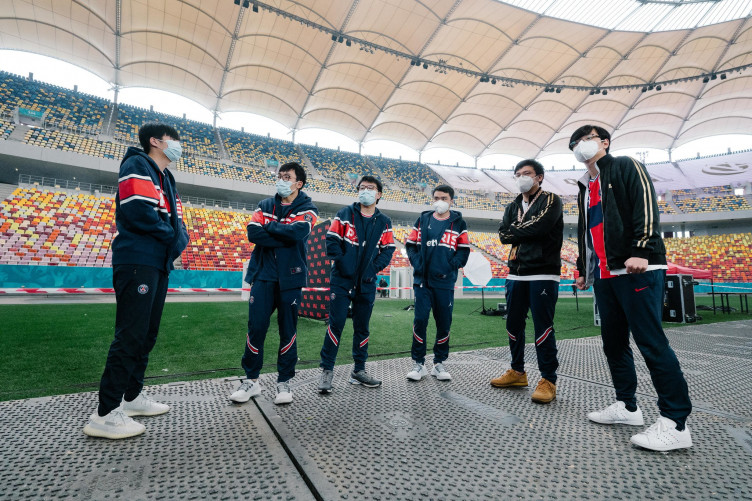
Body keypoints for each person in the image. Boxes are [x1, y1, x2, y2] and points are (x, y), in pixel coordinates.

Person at [571, 125, 693, 451]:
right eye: (575, 143)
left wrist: (641, 248)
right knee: (613, 344)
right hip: (606, 274)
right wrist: (584, 269)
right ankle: (627, 406)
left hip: (637, 266)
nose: (581, 145)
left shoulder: (625, 165)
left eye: (587, 139)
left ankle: (676, 423)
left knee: (651, 343)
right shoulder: (585, 186)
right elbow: (588, 231)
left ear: (605, 142)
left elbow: (646, 204)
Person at [83, 123, 189, 439]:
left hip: (158, 261)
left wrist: (176, 239)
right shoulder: (137, 164)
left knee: (146, 334)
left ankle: (131, 397)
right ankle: (105, 414)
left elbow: (178, 223)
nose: (179, 145)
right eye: (174, 140)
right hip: (138, 259)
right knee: (130, 335)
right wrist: (173, 238)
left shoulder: (166, 177)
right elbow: (140, 213)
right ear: (155, 141)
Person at [229, 162, 318, 405]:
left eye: (287, 177)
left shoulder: (308, 208)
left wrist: (269, 227)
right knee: (256, 328)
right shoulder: (265, 205)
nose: (281, 180)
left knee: (288, 330)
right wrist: (283, 233)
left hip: (291, 277)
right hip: (263, 275)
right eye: (279, 176)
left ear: (299, 183)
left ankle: (284, 382)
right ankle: (251, 381)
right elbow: (253, 233)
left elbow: (298, 233)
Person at [490, 159, 563, 404]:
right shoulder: (512, 205)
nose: (522, 177)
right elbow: (502, 235)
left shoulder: (551, 200)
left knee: (543, 326)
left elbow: (541, 227)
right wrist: (522, 230)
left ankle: (548, 379)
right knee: (513, 323)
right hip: (515, 272)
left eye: (527, 173)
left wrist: (515, 230)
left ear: (539, 177)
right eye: (518, 174)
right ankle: (517, 371)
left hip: (543, 272)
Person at [317, 176, 395, 393]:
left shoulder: (384, 221)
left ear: (379, 194)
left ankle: (359, 370)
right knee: (336, 325)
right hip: (341, 281)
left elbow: (388, 249)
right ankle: (327, 370)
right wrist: (344, 265)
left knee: (362, 327)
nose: (365, 191)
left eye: (370, 188)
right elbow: (331, 241)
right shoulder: (344, 214)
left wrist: (372, 269)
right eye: (362, 188)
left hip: (367, 283)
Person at [405, 185, 470, 382]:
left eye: (444, 198)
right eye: (436, 198)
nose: (439, 201)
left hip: (445, 282)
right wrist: (418, 264)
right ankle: (418, 363)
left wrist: (451, 265)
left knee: (444, 323)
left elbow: (464, 250)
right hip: (423, 281)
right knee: (420, 321)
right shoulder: (423, 220)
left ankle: (439, 363)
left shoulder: (459, 223)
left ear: (451, 201)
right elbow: (410, 245)